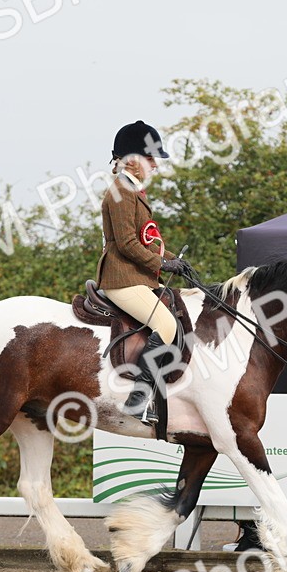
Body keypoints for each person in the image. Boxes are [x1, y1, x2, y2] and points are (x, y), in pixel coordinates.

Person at [95, 120, 187, 424]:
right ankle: (138, 400)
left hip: (136, 276)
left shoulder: (133, 192)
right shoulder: (121, 192)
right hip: (121, 278)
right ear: (133, 160)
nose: (155, 166)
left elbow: (148, 241)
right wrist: (162, 265)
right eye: (151, 159)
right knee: (166, 324)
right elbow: (127, 245)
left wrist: (173, 259)